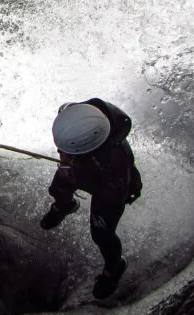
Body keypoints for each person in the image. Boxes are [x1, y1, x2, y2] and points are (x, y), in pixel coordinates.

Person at [40, 98, 142, 299]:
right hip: (84, 164)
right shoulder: (79, 115)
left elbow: (113, 195)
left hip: (107, 185)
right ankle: (65, 205)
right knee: (59, 186)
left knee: (101, 232)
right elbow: (67, 129)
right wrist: (67, 164)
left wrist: (78, 171)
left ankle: (114, 268)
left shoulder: (116, 165)